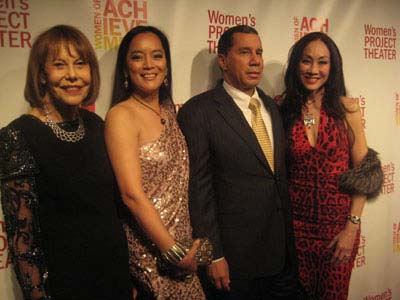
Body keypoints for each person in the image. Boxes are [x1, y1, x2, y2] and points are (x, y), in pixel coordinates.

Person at [0, 25, 132, 299]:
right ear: (42, 75)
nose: (73, 75)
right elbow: (21, 239)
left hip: (114, 276)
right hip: (65, 284)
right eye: (59, 65)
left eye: (80, 64)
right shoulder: (17, 136)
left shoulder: (96, 125)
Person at [177, 25, 299, 300]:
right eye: (245, 52)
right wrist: (214, 253)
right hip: (235, 264)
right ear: (223, 61)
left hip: (282, 259)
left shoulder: (272, 107)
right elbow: (199, 190)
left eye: (259, 52)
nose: (256, 60)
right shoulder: (199, 112)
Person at [105, 26, 207, 300]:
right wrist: (172, 251)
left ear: (167, 65)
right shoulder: (121, 115)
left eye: (157, 56)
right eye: (138, 57)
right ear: (125, 68)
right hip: (151, 256)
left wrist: (192, 252)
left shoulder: (169, 111)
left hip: (184, 252)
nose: (149, 65)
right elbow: (131, 195)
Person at [279, 31, 383, 299]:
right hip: (294, 232)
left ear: (332, 67)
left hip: (338, 231)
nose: (314, 70)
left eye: (322, 62)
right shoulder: (280, 108)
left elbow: (365, 174)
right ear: (296, 65)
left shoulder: (347, 109)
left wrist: (351, 227)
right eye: (306, 61)